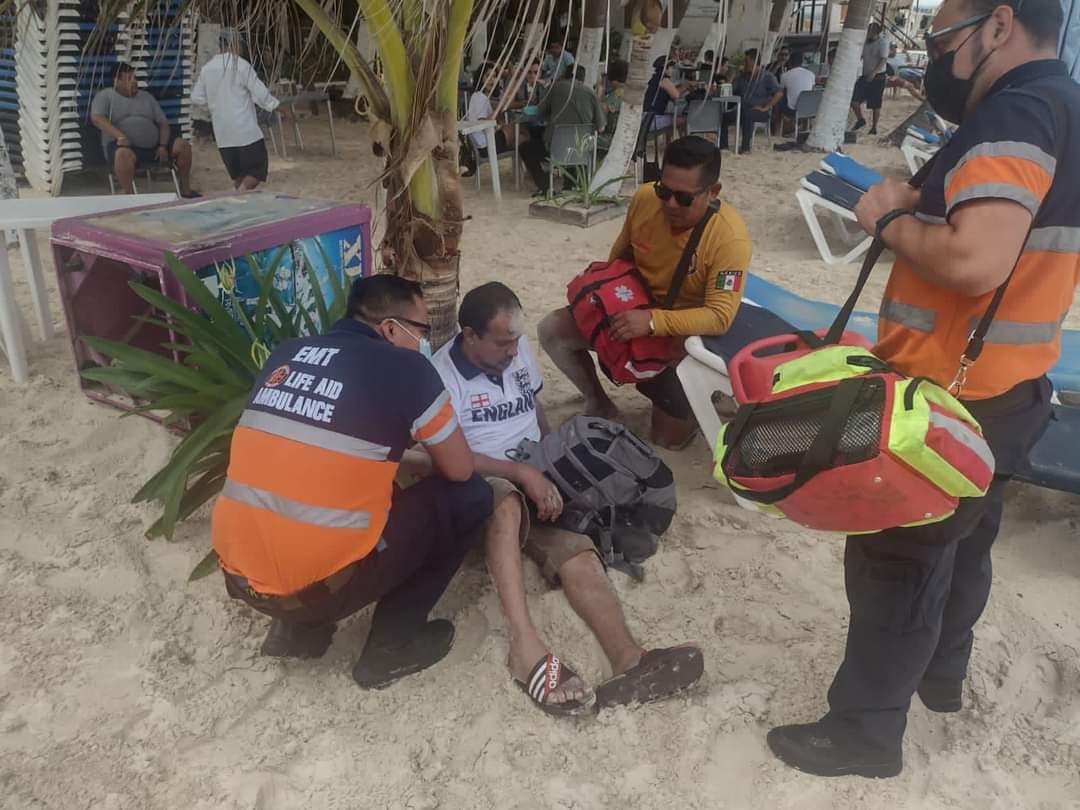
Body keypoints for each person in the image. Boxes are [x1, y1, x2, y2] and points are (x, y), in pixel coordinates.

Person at [767, 0, 1078, 779]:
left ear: (998, 25)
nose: (936, 58)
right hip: (1012, 388)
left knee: (896, 565)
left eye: (942, 40)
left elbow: (975, 260)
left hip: (945, 396)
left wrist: (885, 220)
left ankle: (864, 734)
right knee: (966, 545)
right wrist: (920, 202)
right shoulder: (1063, 107)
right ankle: (941, 675)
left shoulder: (1016, 112)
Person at [421, 282, 705, 714]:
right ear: (470, 336)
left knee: (579, 553)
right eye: (502, 343)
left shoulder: (515, 349)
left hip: (537, 472)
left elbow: (533, 407)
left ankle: (631, 661)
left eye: (516, 340)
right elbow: (441, 458)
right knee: (506, 504)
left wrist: (554, 459)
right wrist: (522, 473)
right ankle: (525, 648)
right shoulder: (440, 378)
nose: (514, 352)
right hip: (485, 482)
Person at [211, 275, 494, 689]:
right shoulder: (407, 369)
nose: (424, 342)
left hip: (239, 578)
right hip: (317, 594)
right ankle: (391, 648)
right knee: (469, 498)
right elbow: (459, 469)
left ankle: (295, 633)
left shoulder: (286, 353)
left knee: (335, 483)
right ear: (391, 329)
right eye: (421, 330)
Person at [539, 136, 752, 448]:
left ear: (712, 192)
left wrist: (652, 321)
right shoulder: (644, 199)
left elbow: (720, 317)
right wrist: (599, 301)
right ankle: (599, 403)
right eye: (664, 191)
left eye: (684, 198)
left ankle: (701, 398)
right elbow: (619, 258)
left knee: (668, 440)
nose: (670, 204)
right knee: (552, 329)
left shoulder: (730, 239)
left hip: (680, 343)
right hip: (633, 317)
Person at [90, 62, 198, 197]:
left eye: (135, 77)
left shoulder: (146, 97)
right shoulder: (105, 96)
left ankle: (186, 190)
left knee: (183, 145)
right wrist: (119, 136)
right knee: (122, 154)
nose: (134, 81)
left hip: (155, 148)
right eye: (129, 78)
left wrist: (163, 145)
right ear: (116, 81)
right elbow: (97, 118)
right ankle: (129, 195)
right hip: (126, 148)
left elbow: (163, 123)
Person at [191, 30, 280, 190]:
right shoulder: (241, 65)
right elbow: (261, 95)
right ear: (234, 44)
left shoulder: (207, 68)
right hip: (245, 132)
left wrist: (215, 105)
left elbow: (196, 97)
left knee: (239, 175)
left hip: (223, 134)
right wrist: (275, 106)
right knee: (257, 171)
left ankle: (239, 198)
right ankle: (237, 196)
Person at [518, 65, 606, 194]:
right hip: (582, 151)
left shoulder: (556, 88)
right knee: (572, 141)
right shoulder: (590, 93)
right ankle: (571, 184)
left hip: (556, 150)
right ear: (583, 78)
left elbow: (539, 112)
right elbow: (601, 127)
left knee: (525, 148)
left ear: (565, 75)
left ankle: (546, 186)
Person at [721, 49, 784, 153]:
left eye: (746, 61)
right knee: (724, 116)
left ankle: (745, 148)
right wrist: (733, 76)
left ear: (754, 62)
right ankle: (723, 146)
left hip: (760, 111)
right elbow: (728, 91)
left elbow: (779, 93)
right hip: (742, 109)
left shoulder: (767, 77)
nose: (744, 64)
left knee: (747, 114)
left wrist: (766, 107)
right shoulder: (742, 77)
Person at [461, 68, 514, 178]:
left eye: (494, 76)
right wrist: (498, 109)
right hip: (486, 147)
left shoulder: (480, 96)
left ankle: (528, 168)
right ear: (481, 79)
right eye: (488, 76)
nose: (491, 80)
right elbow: (483, 123)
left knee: (520, 135)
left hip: (483, 144)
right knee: (518, 131)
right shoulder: (480, 97)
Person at [851, 22, 890, 134]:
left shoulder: (882, 42)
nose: (868, 34)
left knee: (876, 103)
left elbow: (883, 59)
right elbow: (861, 56)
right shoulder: (866, 43)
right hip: (865, 74)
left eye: (870, 32)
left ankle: (874, 127)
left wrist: (874, 73)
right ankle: (860, 119)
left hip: (878, 76)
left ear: (876, 33)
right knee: (854, 99)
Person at [644, 56, 682, 132]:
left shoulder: (655, 78)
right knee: (683, 120)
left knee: (672, 119)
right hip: (652, 119)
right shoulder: (664, 80)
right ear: (666, 68)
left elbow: (671, 91)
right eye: (671, 67)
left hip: (646, 117)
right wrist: (687, 86)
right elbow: (676, 95)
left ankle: (669, 139)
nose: (672, 70)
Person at [599, 59, 629, 151]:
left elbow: (600, 114)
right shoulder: (629, 93)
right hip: (625, 136)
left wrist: (599, 92)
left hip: (611, 139)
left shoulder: (616, 95)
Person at [779, 52, 817, 118]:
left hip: (791, 110)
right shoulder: (811, 74)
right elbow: (812, 91)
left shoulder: (784, 75)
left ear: (790, 62)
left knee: (778, 96)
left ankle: (778, 122)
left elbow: (781, 92)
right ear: (802, 62)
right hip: (809, 109)